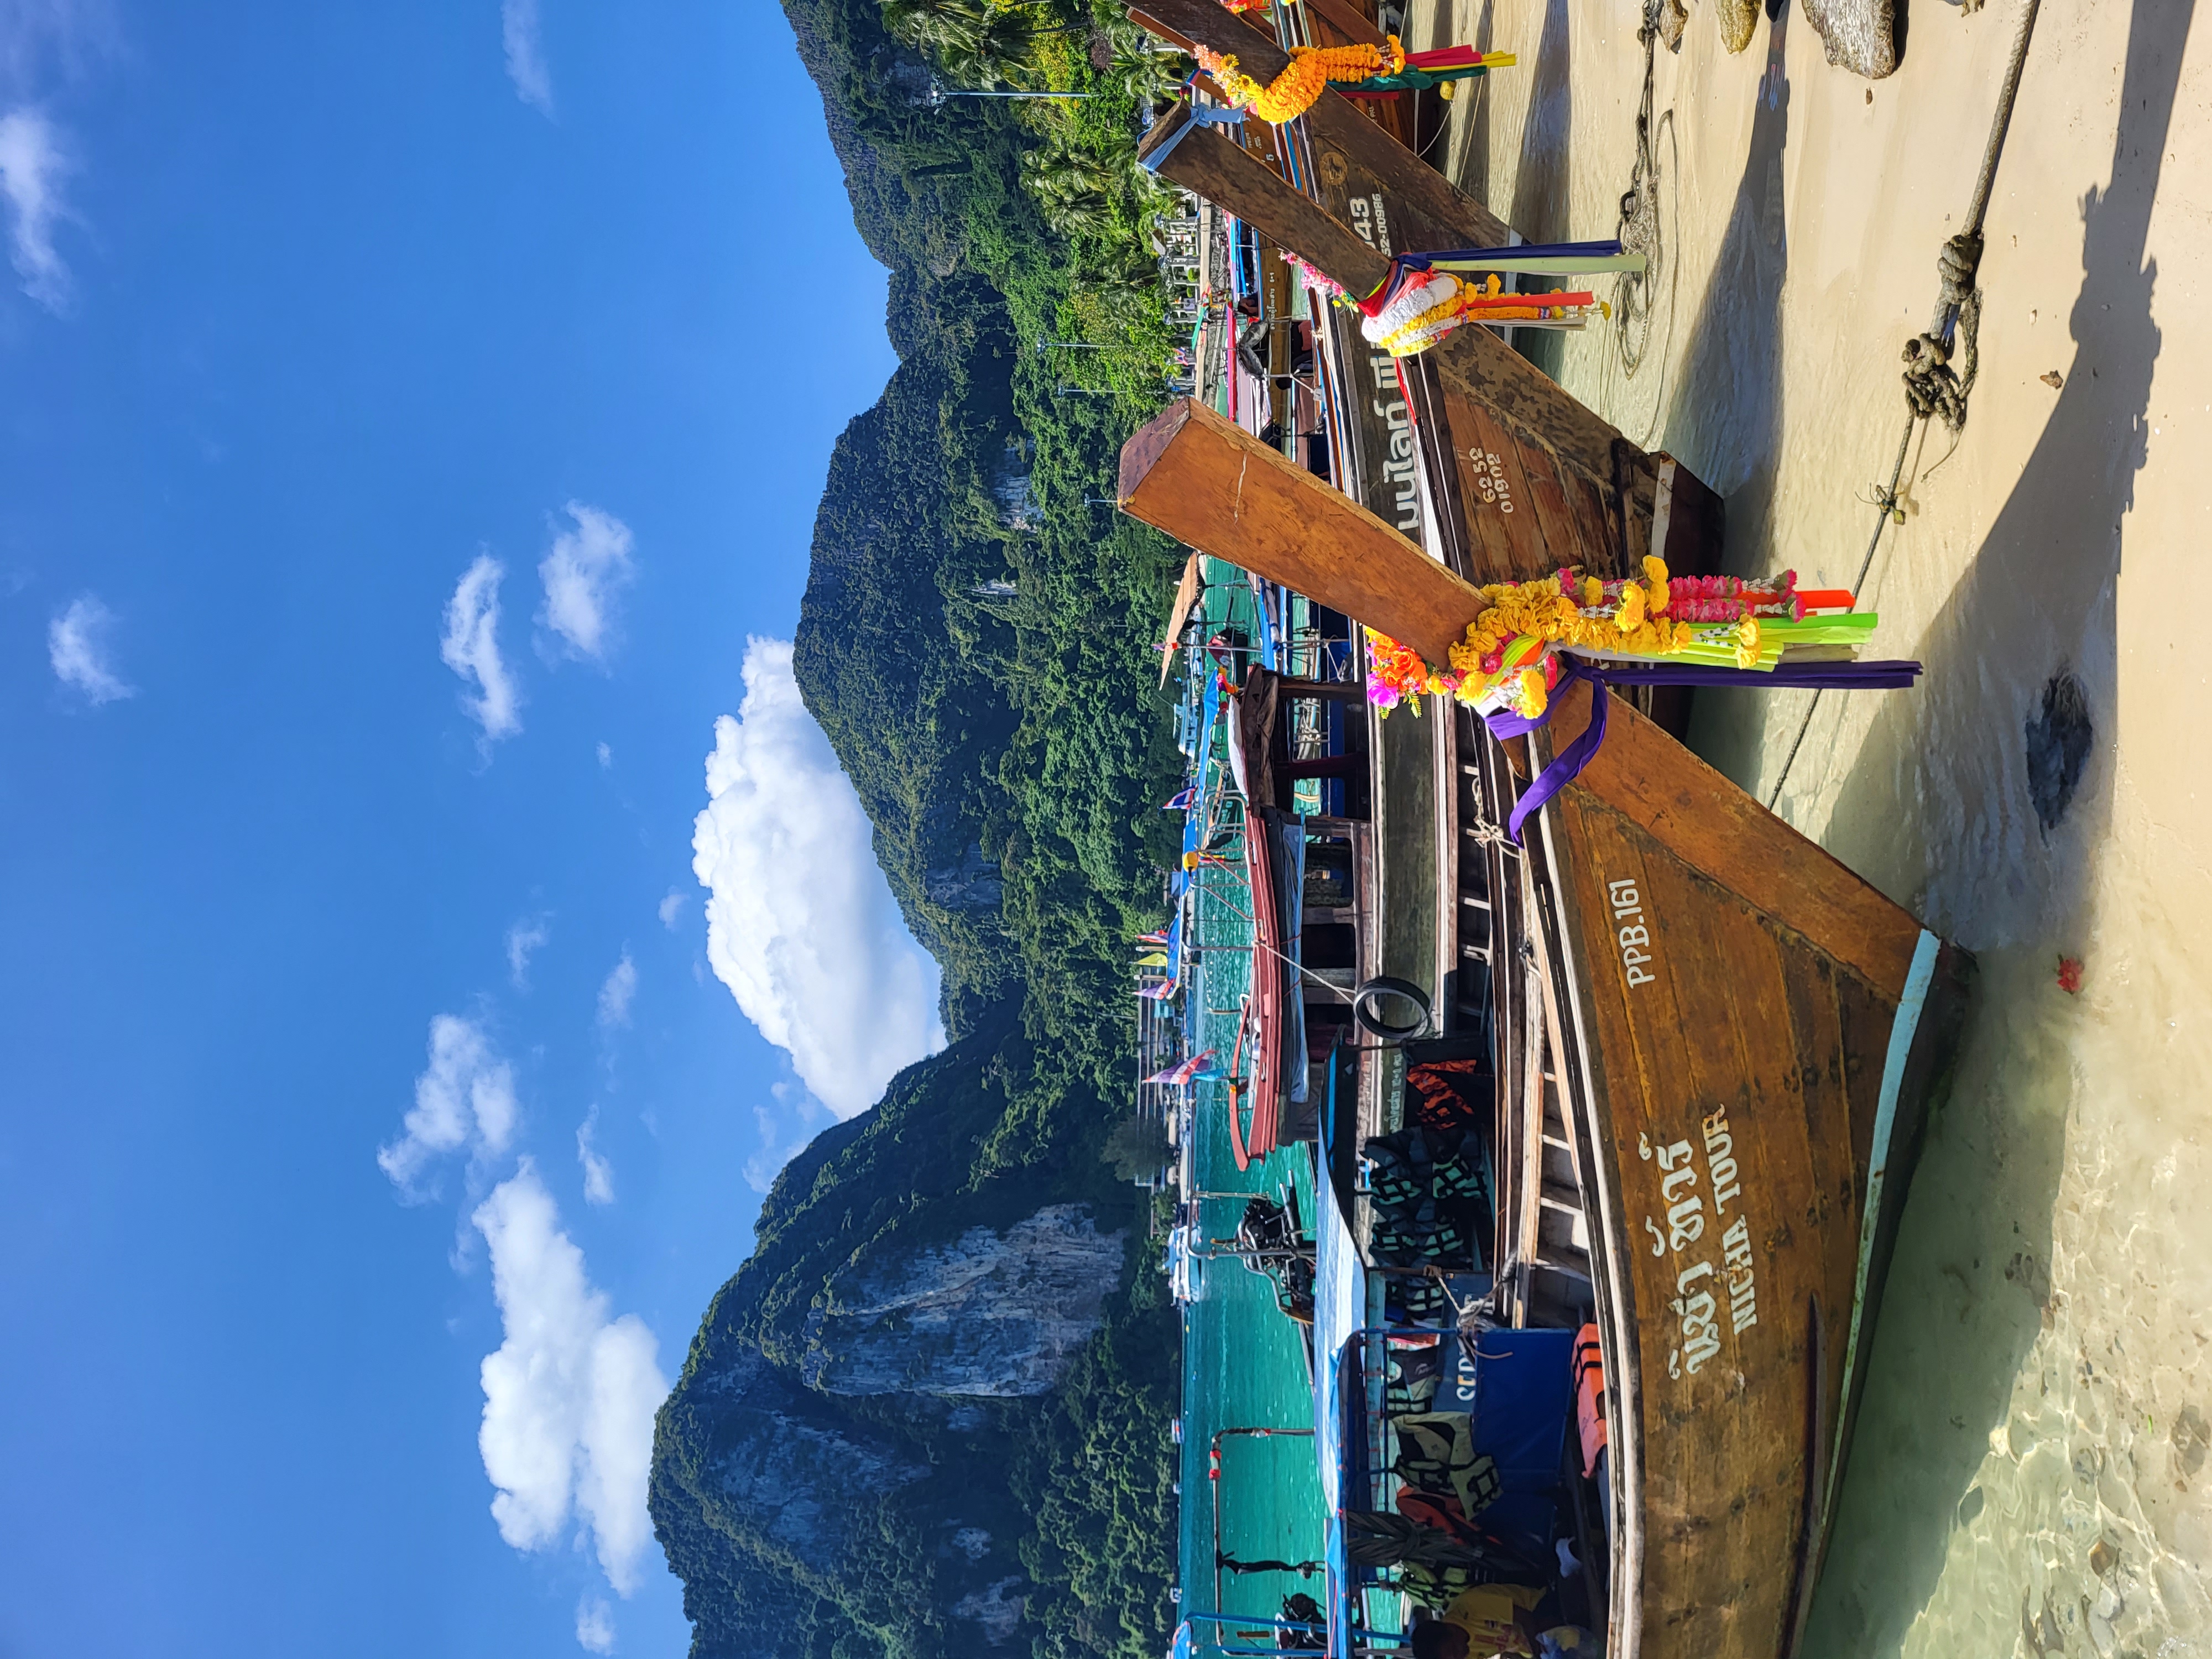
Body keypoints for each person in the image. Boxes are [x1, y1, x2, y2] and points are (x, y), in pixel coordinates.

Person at [1407, 1583, 1553, 1659]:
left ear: (1450, 1629)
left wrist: (1538, 1655)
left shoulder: (1468, 1606)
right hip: (1534, 1648)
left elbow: (1526, 1618)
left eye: (1454, 1651)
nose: (1459, 1657)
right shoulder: (1462, 1653)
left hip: (1539, 1610)